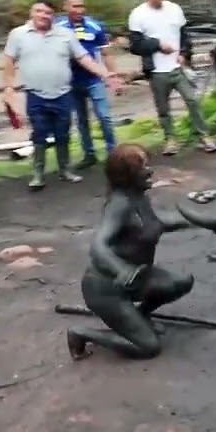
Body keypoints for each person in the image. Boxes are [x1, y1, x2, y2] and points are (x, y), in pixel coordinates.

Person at [67, 143, 195, 360]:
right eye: (142, 167)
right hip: (105, 289)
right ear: (126, 176)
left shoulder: (139, 198)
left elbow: (156, 223)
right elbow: (99, 245)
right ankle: (81, 333)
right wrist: (120, 268)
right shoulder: (120, 204)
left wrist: (197, 221)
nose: (150, 171)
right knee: (148, 347)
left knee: (180, 282)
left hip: (135, 278)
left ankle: (139, 317)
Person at [3, 0, 120, 189]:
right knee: (39, 133)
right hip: (35, 93)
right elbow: (8, 61)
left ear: (53, 15)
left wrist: (106, 74)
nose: (43, 15)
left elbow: (83, 58)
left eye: (47, 13)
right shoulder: (18, 34)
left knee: (63, 133)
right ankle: (38, 174)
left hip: (63, 93)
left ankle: (65, 170)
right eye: (39, 11)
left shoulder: (65, 34)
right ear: (31, 12)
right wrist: (8, 87)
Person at [127, 0, 216, 156]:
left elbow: (185, 36)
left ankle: (204, 135)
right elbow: (135, 46)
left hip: (178, 67)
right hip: (156, 71)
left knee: (192, 100)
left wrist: (185, 54)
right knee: (163, 108)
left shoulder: (175, 9)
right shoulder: (137, 14)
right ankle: (170, 139)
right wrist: (157, 44)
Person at [57, 0, 117, 171]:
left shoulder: (95, 26)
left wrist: (113, 76)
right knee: (81, 120)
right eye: (75, 6)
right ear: (65, 7)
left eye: (82, 6)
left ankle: (113, 152)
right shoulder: (57, 26)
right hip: (70, 81)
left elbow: (106, 53)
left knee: (104, 116)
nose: (79, 10)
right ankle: (89, 154)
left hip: (94, 79)